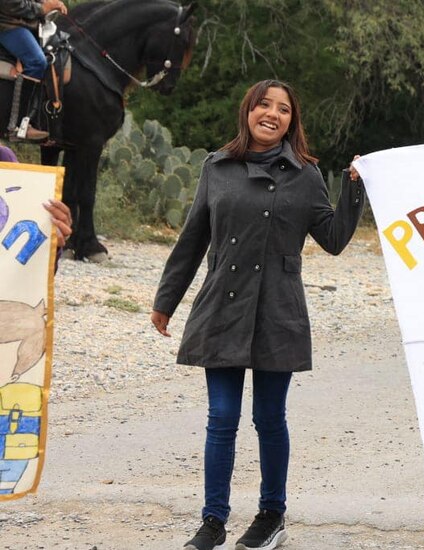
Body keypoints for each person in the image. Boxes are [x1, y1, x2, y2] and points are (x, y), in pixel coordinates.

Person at [150, 79, 365, 550]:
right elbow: (192, 240)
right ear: (248, 110)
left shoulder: (306, 174)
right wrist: (166, 300)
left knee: (269, 418)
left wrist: (353, 190)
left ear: (292, 120)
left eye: (283, 109)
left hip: (278, 311)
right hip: (221, 307)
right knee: (221, 418)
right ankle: (212, 522)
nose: (272, 113)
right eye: (264, 105)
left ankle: (271, 516)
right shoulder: (217, 167)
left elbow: (333, 239)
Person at [0, 0, 67, 142]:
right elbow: (10, 4)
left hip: (26, 23)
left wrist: (50, 3)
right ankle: (19, 125)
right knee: (37, 61)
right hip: (6, 24)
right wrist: (42, 8)